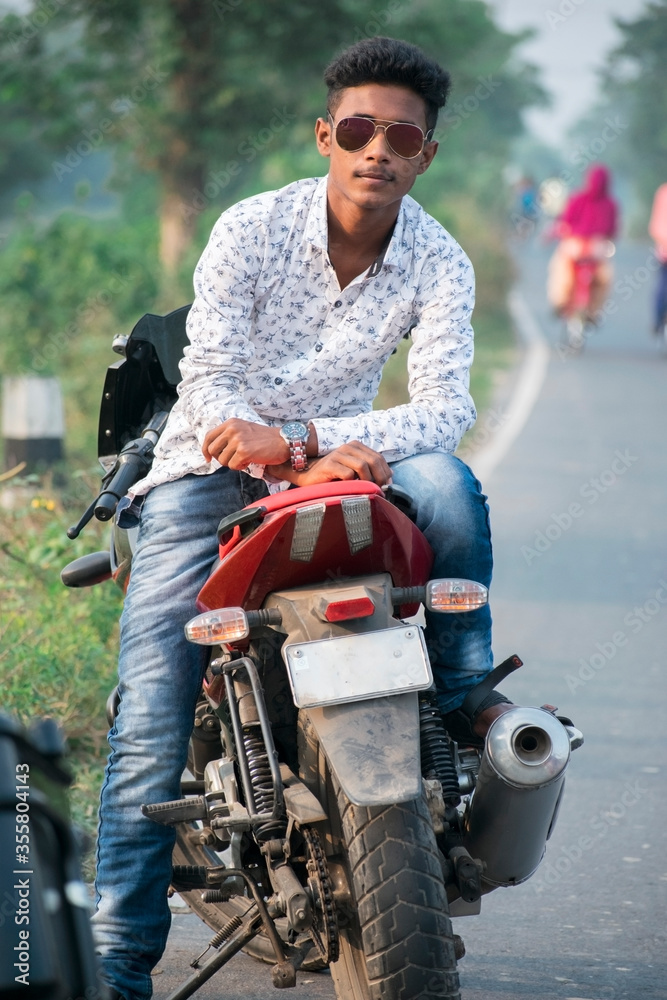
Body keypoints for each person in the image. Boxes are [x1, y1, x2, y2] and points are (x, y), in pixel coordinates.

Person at [92, 36, 514, 1000]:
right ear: (327, 136)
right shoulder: (249, 227)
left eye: (400, 135)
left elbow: (445, 406)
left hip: (349, 461)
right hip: (211, 469)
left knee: (448, 484)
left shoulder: (439, 260)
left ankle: (459, 691)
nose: (378, 149)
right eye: (358, 130)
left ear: (424, 155)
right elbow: (209, 385)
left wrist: (331, 439)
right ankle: (118, 964)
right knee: (152, 705)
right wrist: (292, 450)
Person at [546, 163, 619, 318]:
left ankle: (591, 310)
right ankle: (561, 301)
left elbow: (613, 230)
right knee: (562, 270)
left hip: (594, 248)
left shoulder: (609, 204)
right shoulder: (580, 200)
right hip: (578, 245)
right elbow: (565, 222)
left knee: (604, 277)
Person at [648, 182, 667, 335]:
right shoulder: (663, 193)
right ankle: (658, 319)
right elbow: (657, 225)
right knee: (663, 286)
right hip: (665, 252)